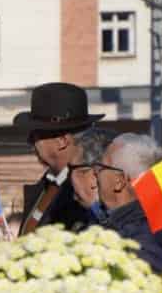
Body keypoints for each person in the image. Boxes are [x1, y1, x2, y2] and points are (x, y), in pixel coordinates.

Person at [14, 82, 100, 234]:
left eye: (36, 135)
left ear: (62, 141)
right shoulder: (48, 184)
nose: (30, 142)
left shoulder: (87, 190)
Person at [86, 134, 162, 274]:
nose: (94, 173)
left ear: (119, 181)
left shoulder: (140, 244)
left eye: (100, 167)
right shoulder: (151, 219)